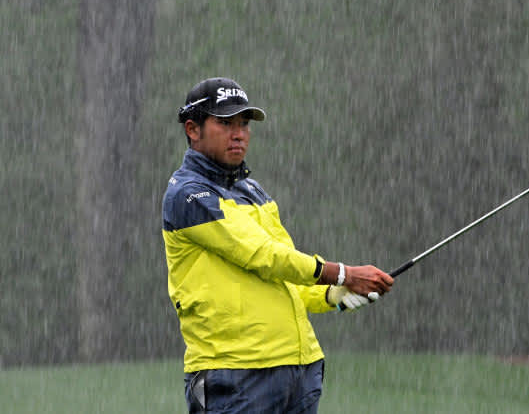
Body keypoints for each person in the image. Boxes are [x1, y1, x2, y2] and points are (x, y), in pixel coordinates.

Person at [162, 77, 394, 413]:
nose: (239, 133)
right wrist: (342, 274)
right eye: (226, 123)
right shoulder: (187, 194)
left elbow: (286, 274)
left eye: (244, 124)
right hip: (235, 375)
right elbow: (262, 255)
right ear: (193, 130)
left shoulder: (252, 191)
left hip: (299, 369)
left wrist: (334, 294)